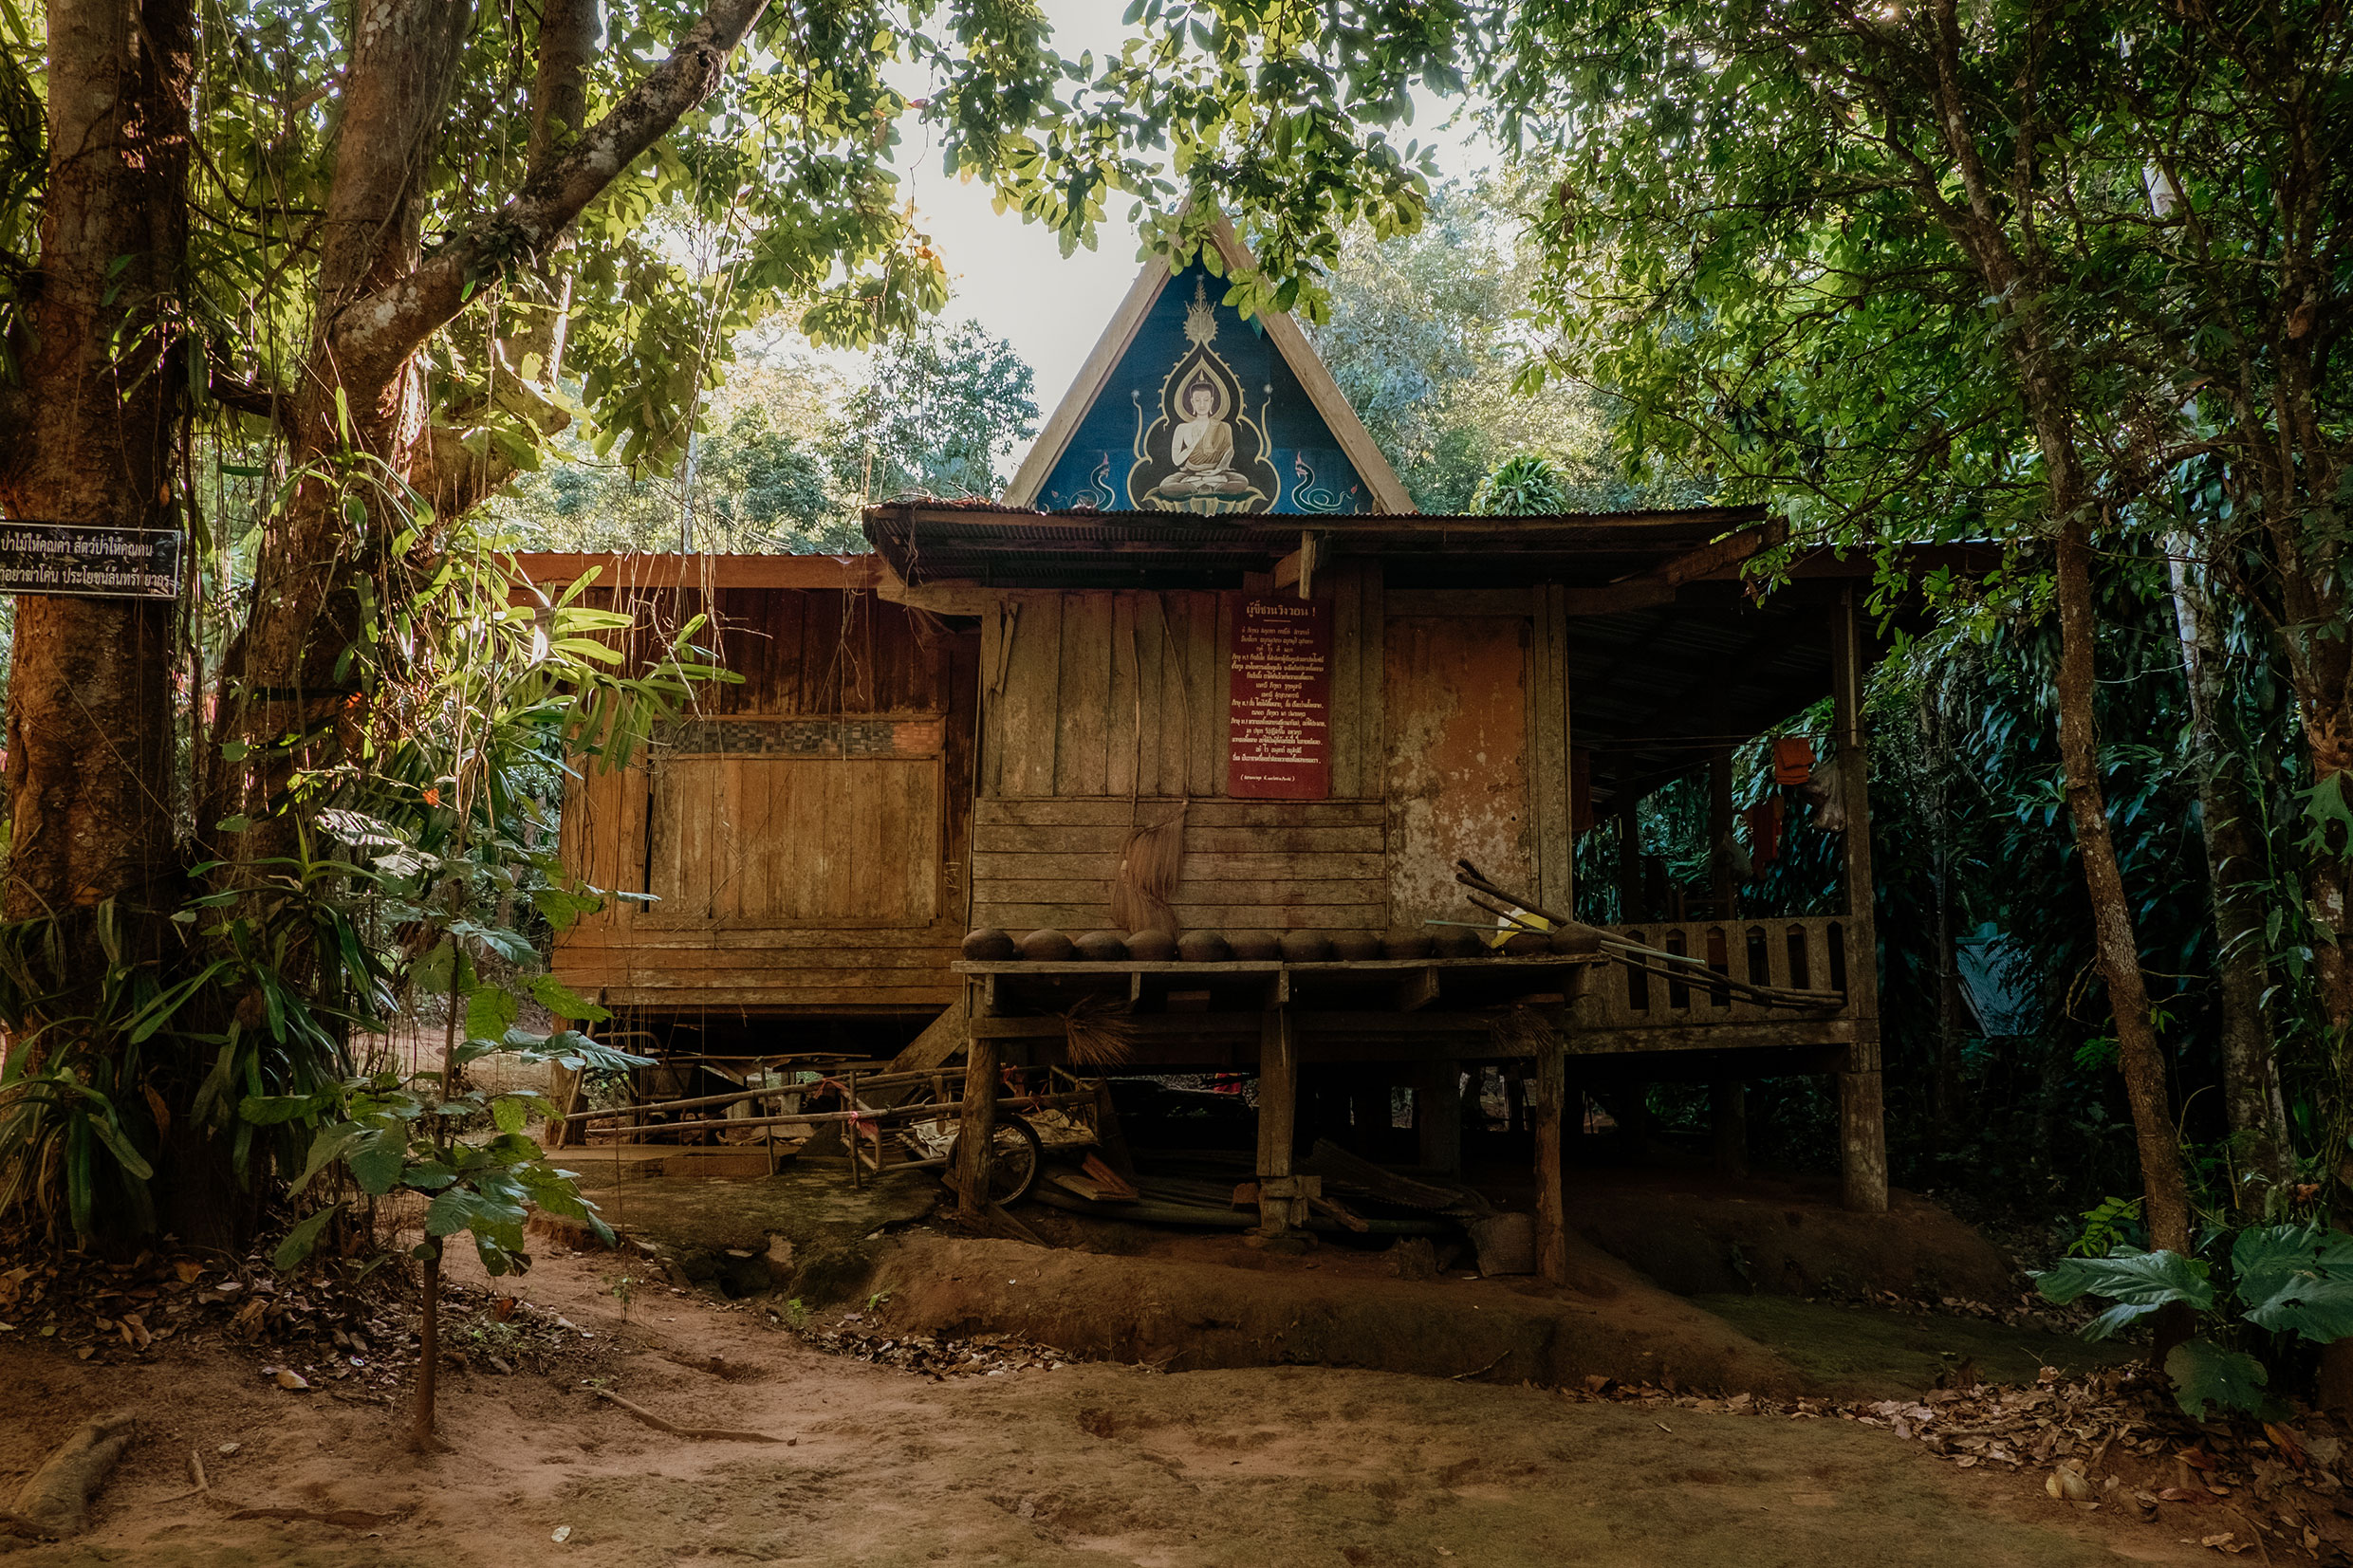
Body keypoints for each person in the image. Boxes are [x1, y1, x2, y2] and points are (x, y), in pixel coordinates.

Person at [1157, 376, 1249, 496]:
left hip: (1216, 473)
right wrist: (1193, 443)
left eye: (1206, 400)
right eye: (1197, 400)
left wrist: (1217, 470)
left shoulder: (1224, 427)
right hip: (1190, 473)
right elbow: (1176, 461)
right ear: (1192, 402)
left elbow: (1229, 451)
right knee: (1165, 486)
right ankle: (1209, 484)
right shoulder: (1182, 428)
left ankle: (1197, 484)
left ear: (1211, 401)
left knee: (1242, 482)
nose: (1202, 404)